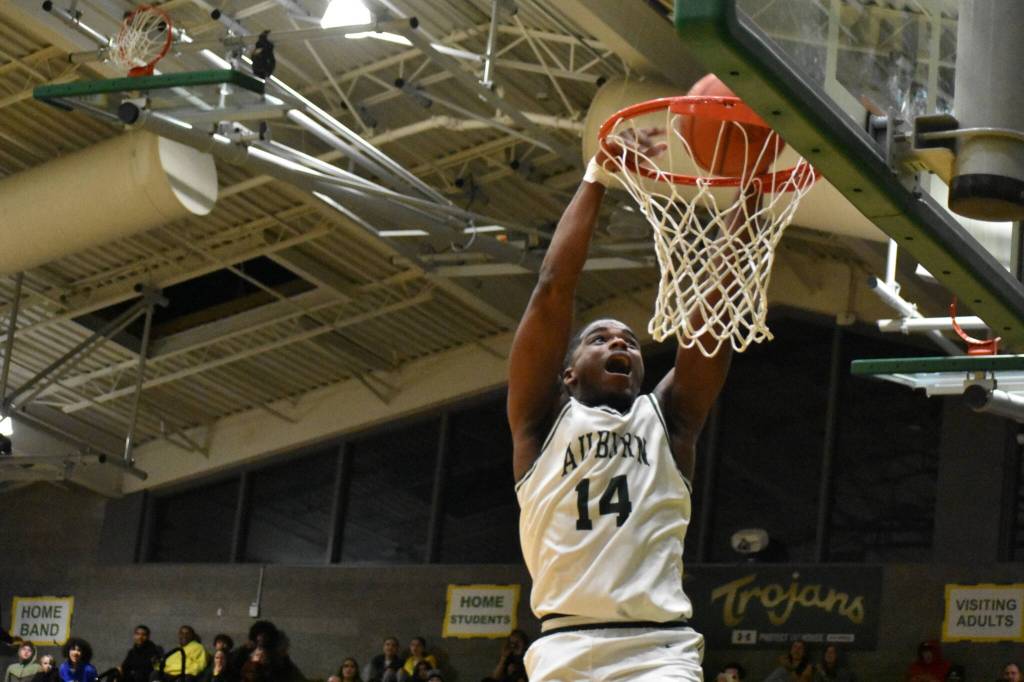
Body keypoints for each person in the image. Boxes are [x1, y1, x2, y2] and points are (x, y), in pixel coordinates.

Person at [508, 127, 742, 681]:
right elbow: (551, 289)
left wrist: (746, 202)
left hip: (657, 653)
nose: (620, 343)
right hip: (562, 647)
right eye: (600, 338)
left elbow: (712, 319)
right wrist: (598, 176)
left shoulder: (669, 420)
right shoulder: (541, 423)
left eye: (631, 342)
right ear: (566, 373)